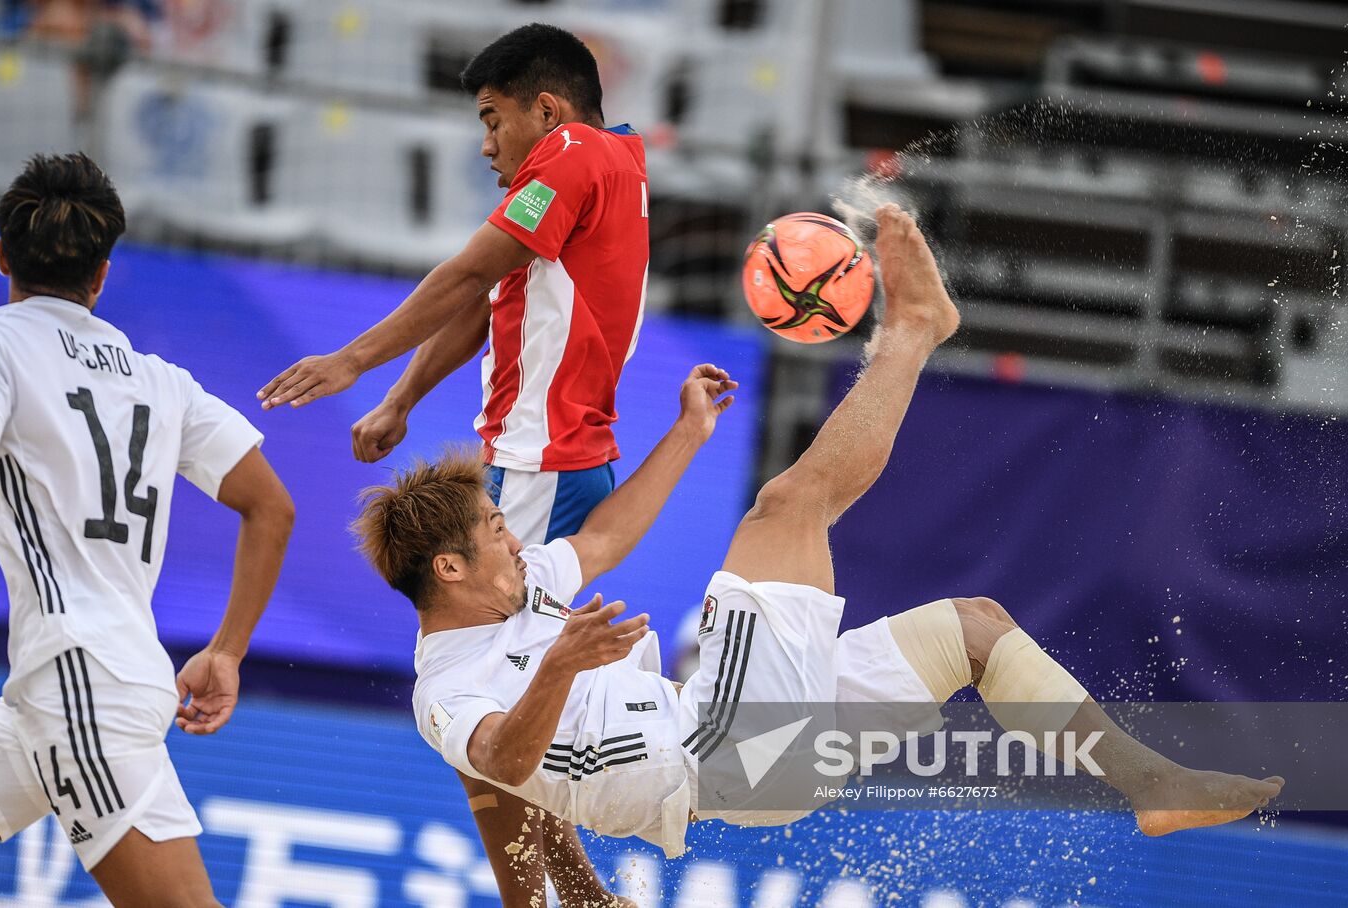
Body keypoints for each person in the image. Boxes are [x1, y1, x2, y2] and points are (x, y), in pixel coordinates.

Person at [353, 205, 1283, 867]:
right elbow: (506, 767)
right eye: (494, 533)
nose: (516, 542)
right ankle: (915, 328)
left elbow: (600, 538)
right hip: (714, 754)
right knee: (787, 508)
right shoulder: (447, 689)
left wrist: (685, 434)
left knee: (973, 629)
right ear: (449, 567)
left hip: (740, 752)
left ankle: (1153, 783)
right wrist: (561, 665)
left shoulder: (525, 589)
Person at [260, 22, 653, 903]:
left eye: (492, 119)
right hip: (552, 457)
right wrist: (402, 398)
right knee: (488, 702)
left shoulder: (570, 158)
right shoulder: (616, 160)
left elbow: (467, 271)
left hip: (538, 463)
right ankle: (585, 897)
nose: (486, 145)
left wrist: (353, 361)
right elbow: (497, 292)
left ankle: (570, 897)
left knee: (469, 696)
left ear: (546, 110)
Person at [0, 153, 294, 907]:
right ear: (102, 274)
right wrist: (228, 651)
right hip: (91, 678)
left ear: (2, 255)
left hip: (77, 678)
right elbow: (273, 507)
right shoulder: (160, 380)